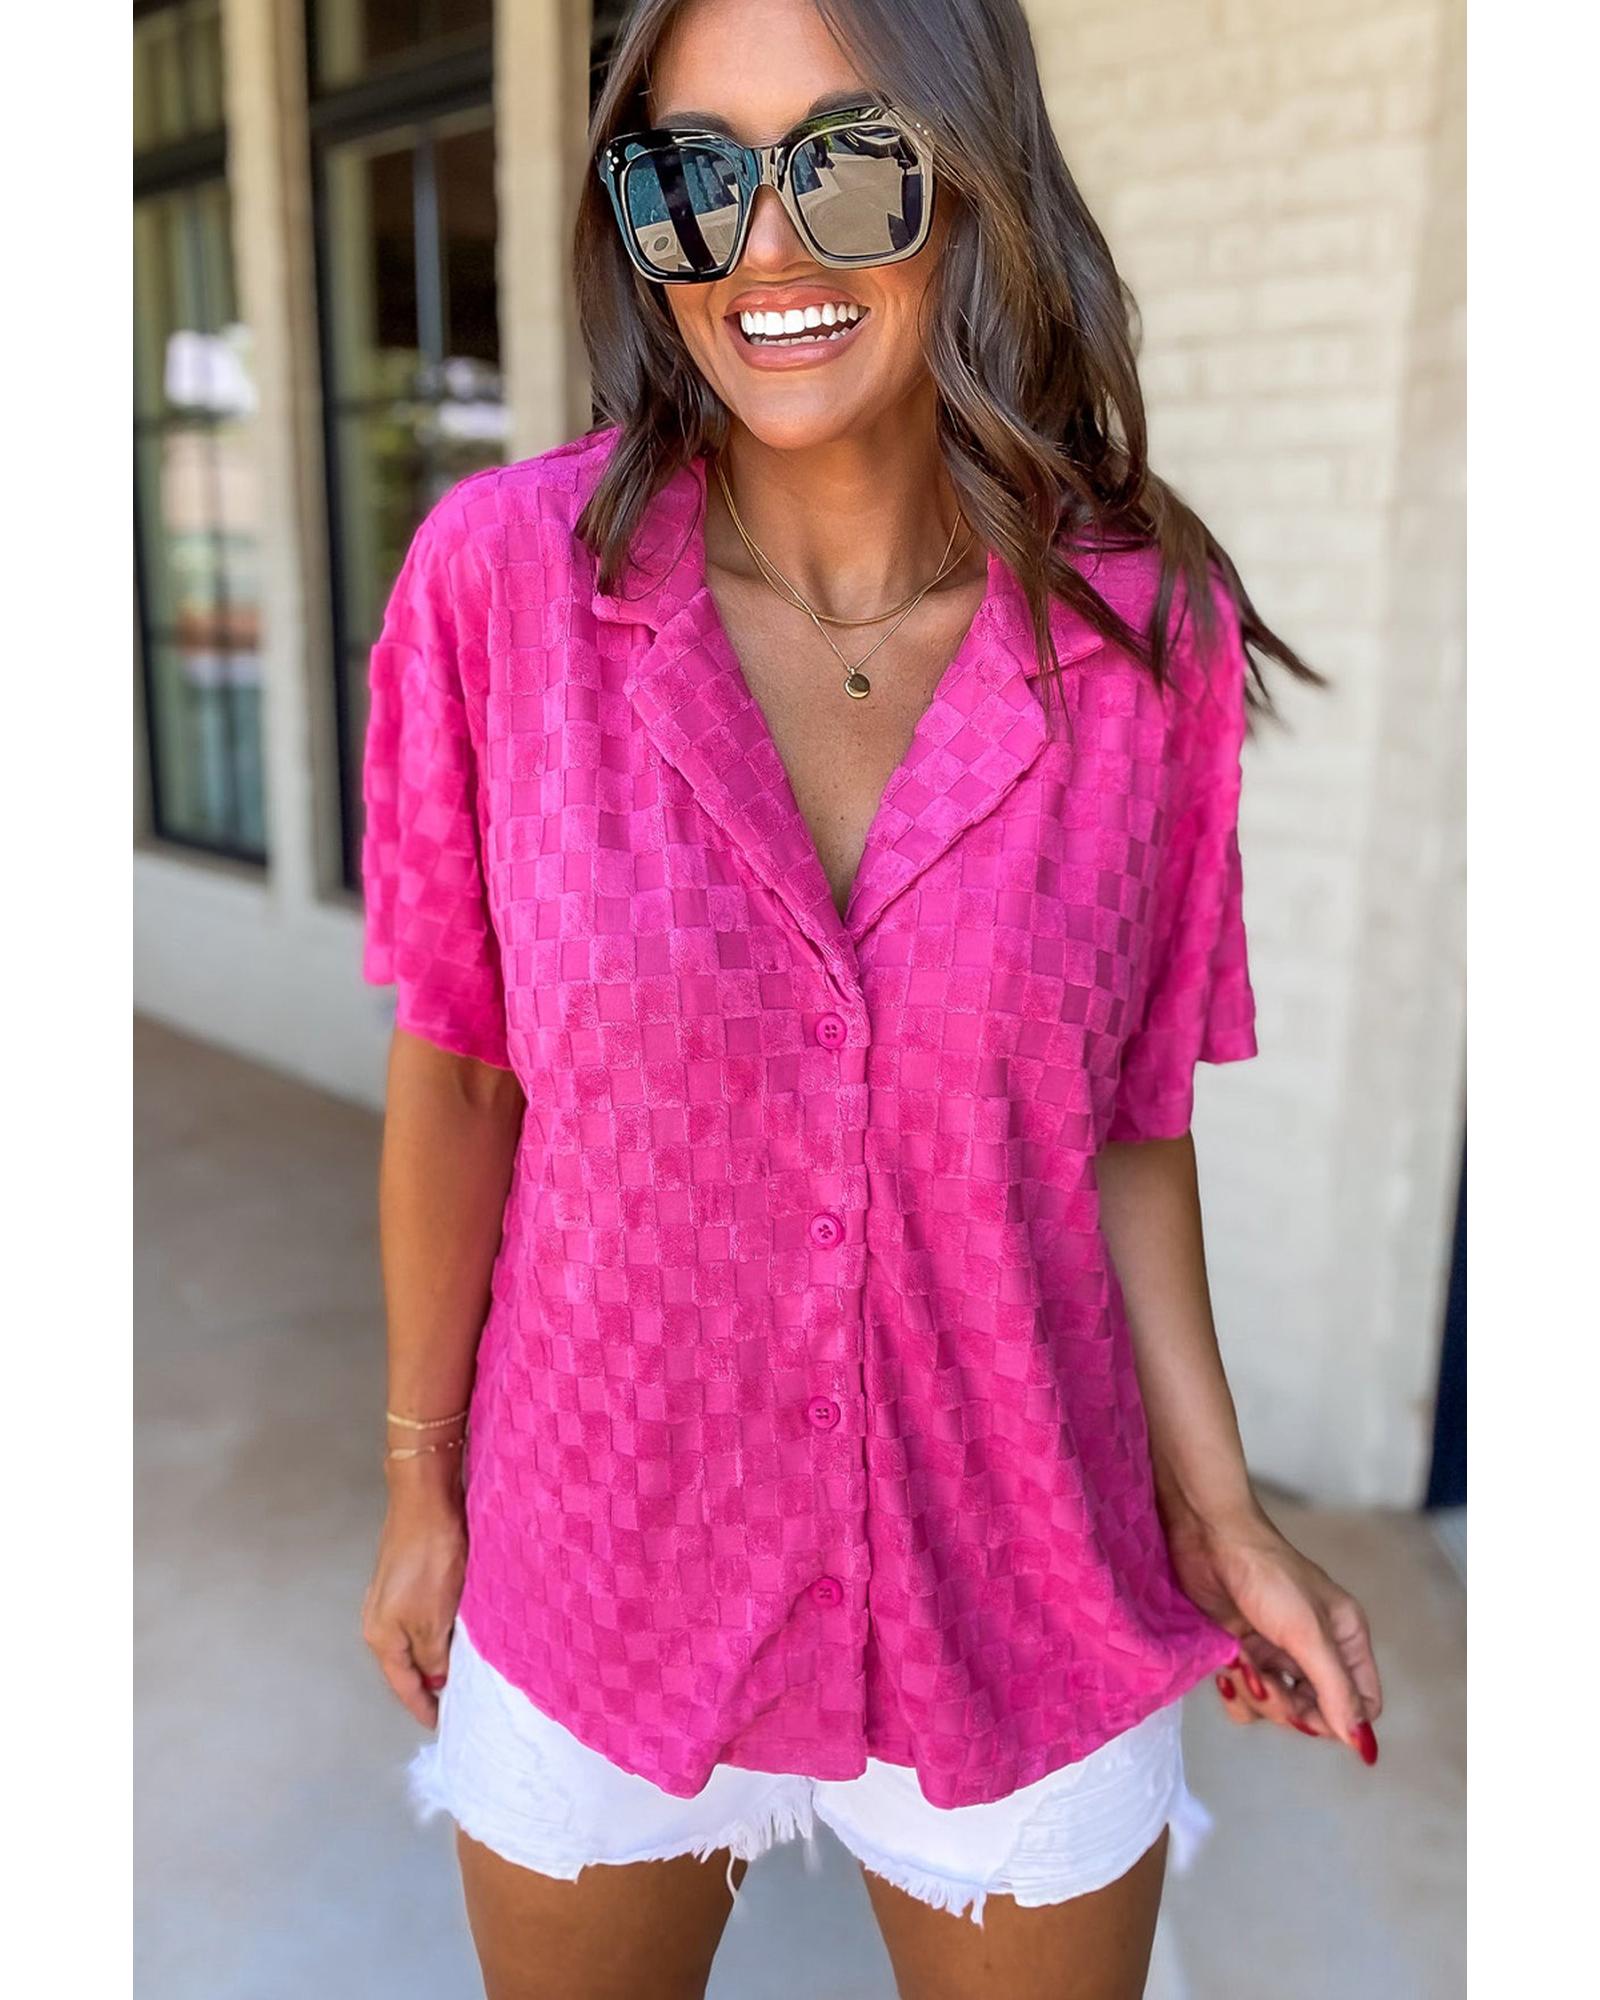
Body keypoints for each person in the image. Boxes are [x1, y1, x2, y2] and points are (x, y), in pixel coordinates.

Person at [358, 1, 1384, 1994]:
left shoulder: (1138, 629)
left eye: (847, 161)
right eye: (691, 174)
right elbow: (461, 1069)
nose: (763, 244)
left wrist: (1215, 1506)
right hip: (599, 1558)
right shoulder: (500, 587)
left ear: (976, 184)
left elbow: (1126, 1119)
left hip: (1020, 1564)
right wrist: (419, 1481)